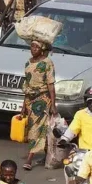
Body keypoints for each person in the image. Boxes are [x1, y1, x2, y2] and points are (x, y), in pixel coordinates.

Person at [20, 39, 57, 171]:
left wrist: (53, 104)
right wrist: (24, 105)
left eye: (36, 47)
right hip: (30, 100)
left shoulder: (47, 63)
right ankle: (47, 154)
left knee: (35, 129)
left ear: (42, 49)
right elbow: (27, 84)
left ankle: (30, 158)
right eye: (32, 46)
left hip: (42, 100)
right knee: (38, 129)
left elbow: (51, 85)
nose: (33, 49)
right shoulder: (28, 63)